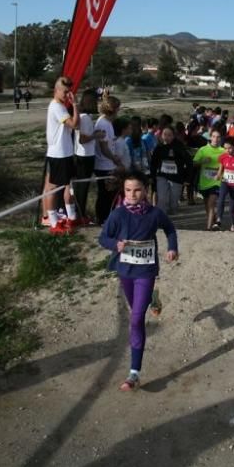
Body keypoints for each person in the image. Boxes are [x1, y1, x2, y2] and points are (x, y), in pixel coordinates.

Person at [98, 171, 178, 391]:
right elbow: (102, 238)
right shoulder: (118, 215)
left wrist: (172, 248)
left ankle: (134, 372)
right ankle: (153, 298)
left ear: (145, 191)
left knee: (135, 319)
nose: (132, 194)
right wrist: (115, 245)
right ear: (123, 191)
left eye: (137, 190)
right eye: (128, 190)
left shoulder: (154, 214)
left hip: (146, 271)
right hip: (126, 270)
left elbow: (170, 229)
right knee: (137, 314)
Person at [43, 76, 81, 235]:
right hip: (58, 153)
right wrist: (75, 105)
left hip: (65, 152)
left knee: (68, 184)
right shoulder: (57, 106)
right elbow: (74, 124)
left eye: (69, 92)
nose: (67, 95)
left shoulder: (61, 106)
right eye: (65, 92)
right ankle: (53, 221)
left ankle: (71, 216)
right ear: (56, 90)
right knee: (52, 187)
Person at [70, 90, 99, 224]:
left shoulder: (82, 116)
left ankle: (79, 213)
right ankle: (80, 215)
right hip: (85, 156)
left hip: (81, 154)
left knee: (80, 187)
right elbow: (82, 139)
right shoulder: (85, 118)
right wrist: (95, 136)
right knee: (82, 187)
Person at [150, 126, 192, 215]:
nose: (167, 137)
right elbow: (153, 163)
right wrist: (153, 177)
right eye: (165, 134)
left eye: (169, 135)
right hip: (162, 176)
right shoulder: (159, 147)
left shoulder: (179, 147)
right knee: (162, 199)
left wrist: (187, 179)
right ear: (161, 135)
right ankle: (161, 219)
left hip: (176, 178)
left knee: (173, 202)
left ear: (173, 136)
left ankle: (171, 213)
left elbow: (189, 162)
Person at [93, 96, 122, 225]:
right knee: (105, 193)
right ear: (114, 109)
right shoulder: (103, 123)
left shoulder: (107, 123)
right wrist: (114, 158)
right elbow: (103, 147)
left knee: (110, 193)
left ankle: (107, 217)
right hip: (104, 164)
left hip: (107, 163)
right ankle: (103, 218)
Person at [192, 128, 226, 231]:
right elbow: (194, 163)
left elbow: (226, 165)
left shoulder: (223, 151)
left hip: (217, 181)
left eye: (218, 137)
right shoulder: (203, 150)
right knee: (207, 205)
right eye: (214, 136)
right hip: (204, 181)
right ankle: (214, 220)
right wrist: (202, 161)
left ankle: (208, 227)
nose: (216, 139)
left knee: (211, 203)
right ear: (210, 137)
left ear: (220, 139)